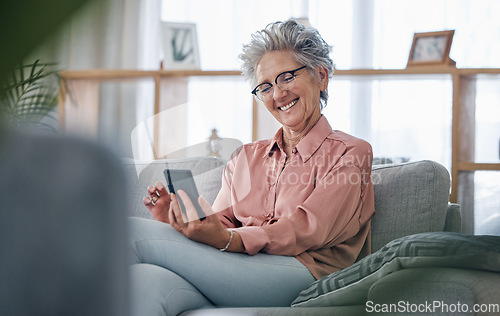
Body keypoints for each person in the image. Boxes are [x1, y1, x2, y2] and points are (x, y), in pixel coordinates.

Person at [129, 19, 375, 315]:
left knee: (130, 232)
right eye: (265, 87)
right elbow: (220, 226)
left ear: (321, 76)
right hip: (239, 269)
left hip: (306, 274)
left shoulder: (350, 153)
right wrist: (178, 219)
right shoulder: (245, 157)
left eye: (286, 77)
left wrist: (230, 240)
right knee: (142, 280)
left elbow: (308, 230)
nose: (278, 95)